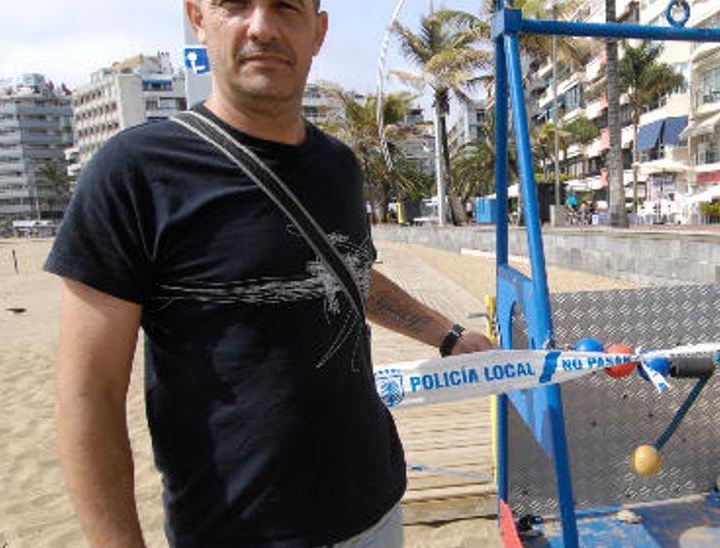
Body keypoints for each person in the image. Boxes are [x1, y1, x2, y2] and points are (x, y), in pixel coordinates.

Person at [46, 1, 493, 546]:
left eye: (285, 6)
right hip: (236, 530)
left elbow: (348, 275)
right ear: (198, 17)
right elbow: (87, 395)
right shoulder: (134, 173)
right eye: (235, 4)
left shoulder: (338, 167)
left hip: (374, 511)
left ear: (318, 31)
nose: (262, 26)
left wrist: (446, 334)